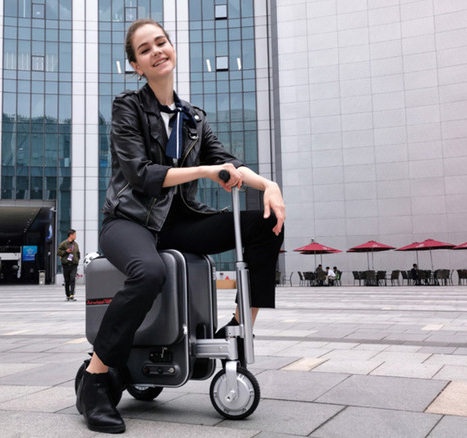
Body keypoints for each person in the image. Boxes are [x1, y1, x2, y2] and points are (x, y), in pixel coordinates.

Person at [75, 18, 285, 434]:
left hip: (174, 224)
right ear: (136, 65)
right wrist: (205, 171)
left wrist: (269, 185)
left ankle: (239, 328)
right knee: (149, 271)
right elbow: (140, 175)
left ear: (172, 49)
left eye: (162, 42)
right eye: (146, 49)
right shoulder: (127, 108)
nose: (158, 51)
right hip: (127, 221)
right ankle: (96, 379)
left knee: (267, 224)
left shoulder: (193, 119)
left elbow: (228, 163)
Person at [58, 229, 81, 301]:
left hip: (74, 264)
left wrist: (77, 259)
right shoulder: (63, 243)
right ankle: (67, 295)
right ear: (71, 235)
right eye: (74, 234)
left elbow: (78, 253)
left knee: (72, 279)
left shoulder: (75, 244)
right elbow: (58, 252)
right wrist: (65, 251)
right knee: (67, 280)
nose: (75, 236)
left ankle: (72, 294)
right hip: (66, 264)